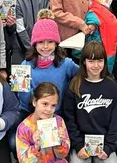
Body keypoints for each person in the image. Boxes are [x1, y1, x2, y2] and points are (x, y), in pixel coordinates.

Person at [62, 41, 117, 163]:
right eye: (91, 61)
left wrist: (109, 148)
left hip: (105, 143)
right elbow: (69, 120)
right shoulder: (74, 86)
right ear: (84, 62)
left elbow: (116, 122)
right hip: (82, 143)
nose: (95, 65)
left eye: (99, 61)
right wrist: (78, 145)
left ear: (105, 61)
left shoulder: (113, 87)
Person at [15, 17, 79, 146]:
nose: (45, 46)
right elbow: (23, 102)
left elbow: (82, 77)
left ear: (56, 43)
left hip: (57, 115)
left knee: (58, 143)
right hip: (32, 114)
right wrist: (21, 88)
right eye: (41, 42)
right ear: (34, 44)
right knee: (13, 142)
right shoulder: (25, 65)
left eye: (50, 42)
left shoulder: (66, 64)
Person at [16, 82, 77, 163]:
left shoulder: (59, 122)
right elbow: (23, 160)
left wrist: (59, 143)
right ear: (34, 102)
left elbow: (63, 154)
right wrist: (36, 146)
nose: (49, 109)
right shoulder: (24, 127)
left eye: (53, 105)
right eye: (44, 104)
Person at [11, 0, 49, 64]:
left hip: (42, 44)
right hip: (23, 47)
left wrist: (41, 44)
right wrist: (31, 48)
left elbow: (46, 20)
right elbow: (20, 28)